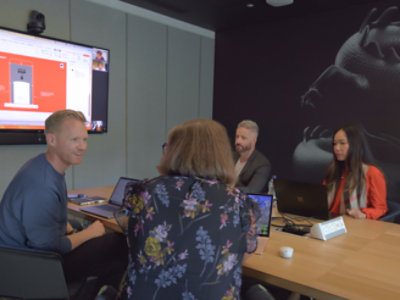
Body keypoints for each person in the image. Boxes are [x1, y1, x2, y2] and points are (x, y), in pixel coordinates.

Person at [114, 119, 259, 300]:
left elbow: (134, 243)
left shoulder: (145, 192)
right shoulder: (238, 202)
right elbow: (241, 254)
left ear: (175, 152)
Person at [0, 109, 127, 296]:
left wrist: (65, 226)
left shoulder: (42, 165)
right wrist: (89, 233)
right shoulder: (42, 185)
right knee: (119, 244)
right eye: (74, 140)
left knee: (105, 242)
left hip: (23, 256)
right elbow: (46, 245)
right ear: (51, 140)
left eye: (84, 140)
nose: (82, 146)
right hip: (31, 266)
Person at [324, 124, 388, 219]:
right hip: (327, 221)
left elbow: (380, 208)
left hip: (354, 224)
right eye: (334, 143)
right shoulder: (333, 169)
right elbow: (322, 199)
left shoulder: (372, 173)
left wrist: (363, 214)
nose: (337, 148)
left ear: (355, 145)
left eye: (342, 143)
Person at [234, 120, 271, 193]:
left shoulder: (262, 164)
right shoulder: (231, 156)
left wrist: (228, 189)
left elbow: (252, 191)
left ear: (254, 140)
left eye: (243, 138)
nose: (238, 141)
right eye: (237, 137)